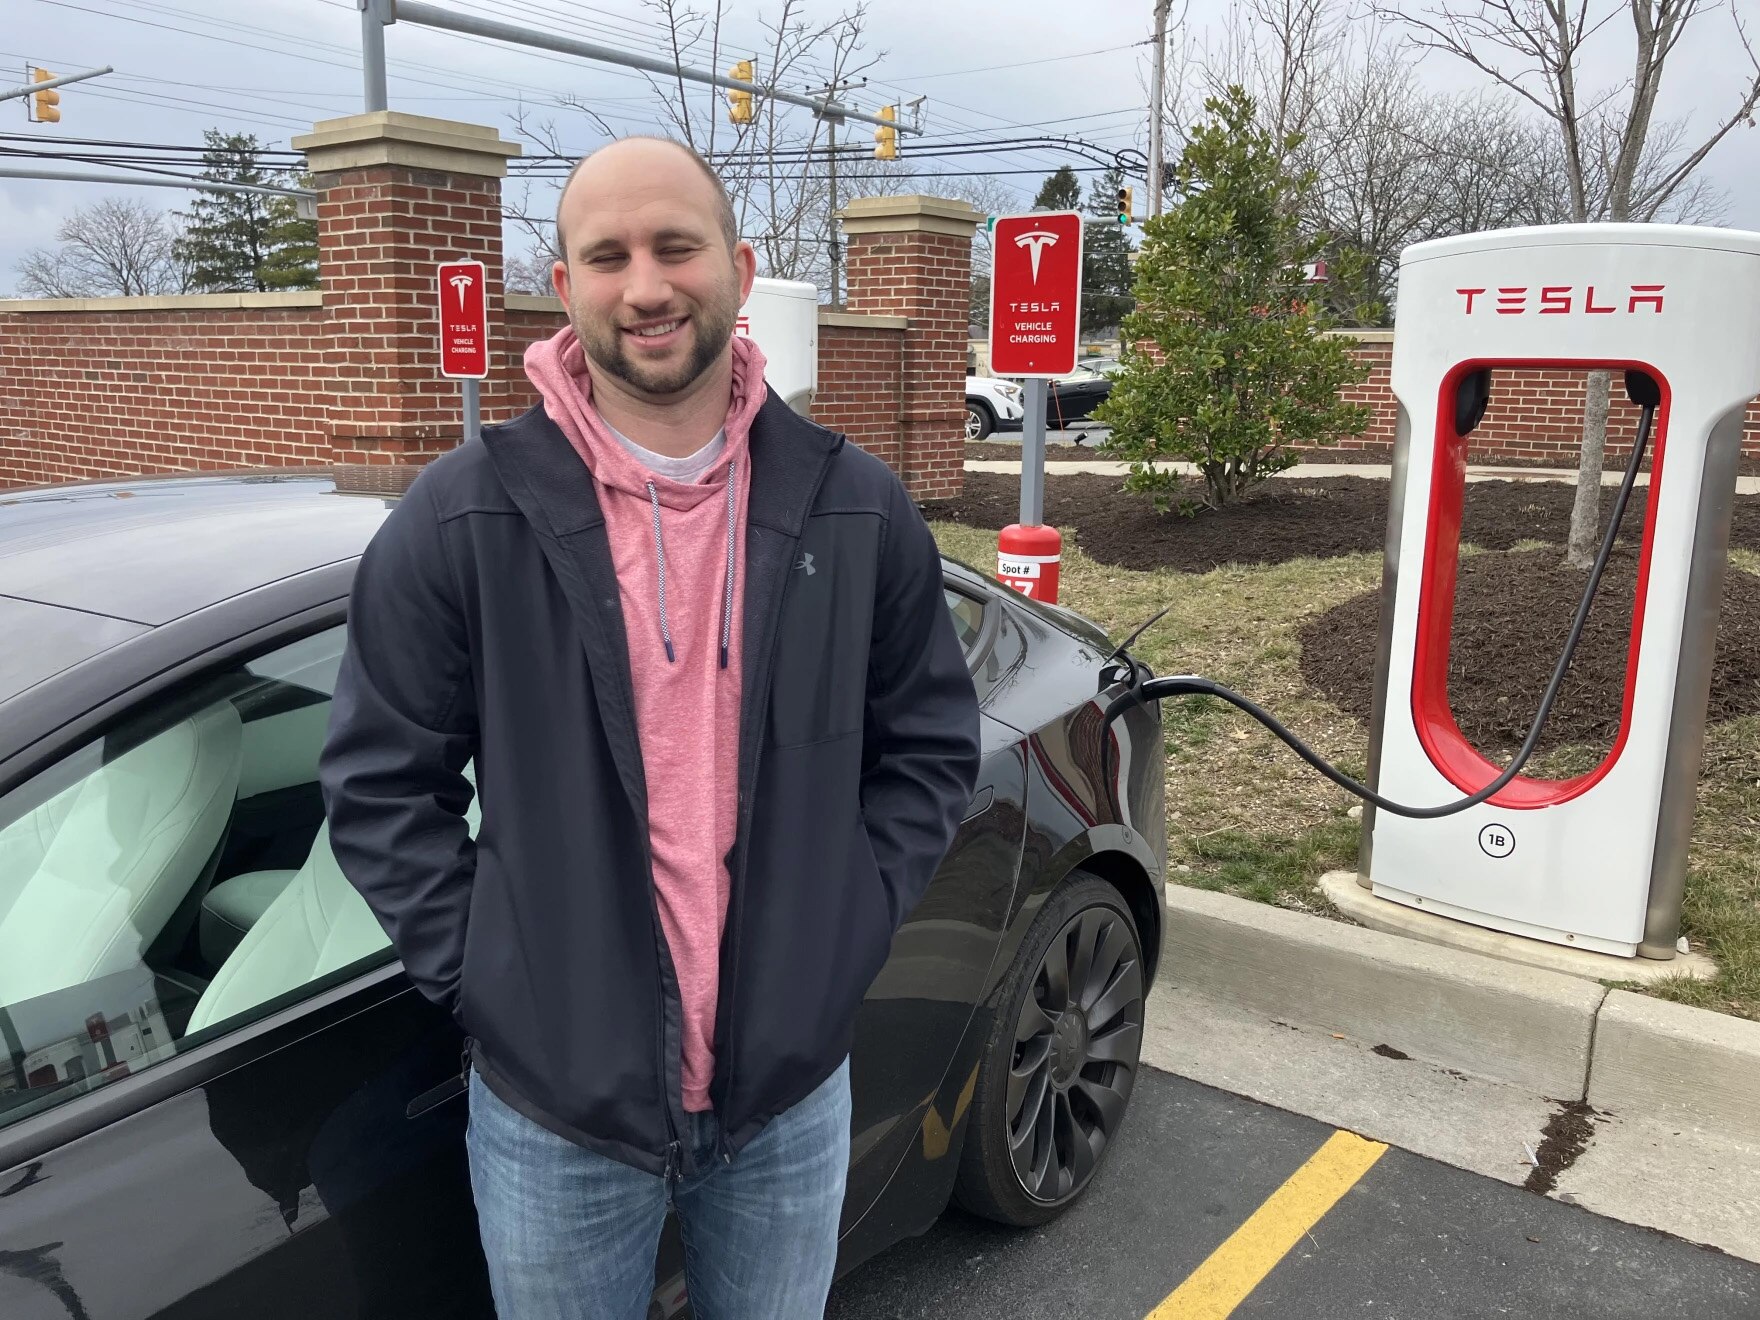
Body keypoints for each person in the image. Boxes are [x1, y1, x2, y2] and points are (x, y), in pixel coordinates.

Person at [318, 135, 982, 1320]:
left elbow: (926, 747)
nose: (646, 285)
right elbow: (379, 784)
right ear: (565, 285)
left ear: (734, 265)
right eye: (606, 256)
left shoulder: (855, 504)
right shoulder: (461, 518)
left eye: (675, 248)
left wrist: (849, 927)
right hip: (555, 1110)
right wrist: (492, 977)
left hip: (787, 1090)